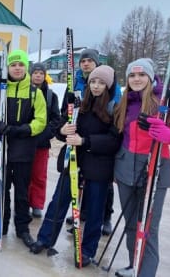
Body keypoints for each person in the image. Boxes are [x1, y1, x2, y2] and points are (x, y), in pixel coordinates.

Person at [30, 66, 122, 268]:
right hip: (73, 160)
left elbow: (114, 140)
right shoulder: (80, 102)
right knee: (59, 200)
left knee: (95, 208)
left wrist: (86, 141)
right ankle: (45, 238)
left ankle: (87, 250)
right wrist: (63, 130)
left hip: (98, 164)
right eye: (93, 82)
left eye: (101, 83)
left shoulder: (114, 108)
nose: (96, 86)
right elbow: (61, 126)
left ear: (108, 86)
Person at [113, 58, 170, 277]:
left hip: (154, 171)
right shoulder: (124, 103)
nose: (137, 79)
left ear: (150, 77)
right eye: (132, 76)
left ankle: (145, 273)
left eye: (141, 75)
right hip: (125, 169)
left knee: (147, 229)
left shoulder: (162, 103)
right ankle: (134, 264)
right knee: (131, 224)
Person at [0, 49, 47, 248]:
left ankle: (22, 228)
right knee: (1, 190)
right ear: (8, 67)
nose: (17, 68)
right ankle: (1, 224)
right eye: (13, 65)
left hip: (24, 149)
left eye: (21, 65)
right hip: (2, 147)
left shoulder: (35, 92)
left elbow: (41, 120)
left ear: (25, 67)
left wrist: (27, 129)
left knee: (21, 192)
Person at [66, 48, 121, 235]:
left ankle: (105, 216)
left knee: (102, 185)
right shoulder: (78, 81)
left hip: (100, 139)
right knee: (82, 179)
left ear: (96, 63)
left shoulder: (109, 80)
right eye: (83, 61)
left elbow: (115, 107)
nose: (86, 63)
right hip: (83, 137)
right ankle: (81, 212)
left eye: (90, 60)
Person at [28, 62, 61, 218]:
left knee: (39, 175)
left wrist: (46, 133)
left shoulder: (51, 96)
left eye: (41, 73)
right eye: (35, 73)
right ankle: (24, 202)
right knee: (24, 174)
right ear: (31, 74)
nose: (38, 76)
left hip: (42, 142)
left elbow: (56, 119)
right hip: (26, 141)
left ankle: (36, 204)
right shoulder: (25, 92)